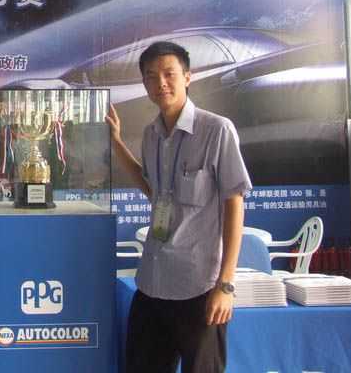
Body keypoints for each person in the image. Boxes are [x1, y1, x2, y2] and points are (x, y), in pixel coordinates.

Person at [106, 41, 252, 373]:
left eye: (169, 74)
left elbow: (234, 204)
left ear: (188, 77)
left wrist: (225, 285)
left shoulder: (217, 130)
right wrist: (116, 142)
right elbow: (154, 192)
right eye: (151, 76)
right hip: (153, 282)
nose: (161, 83)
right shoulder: (151, 135)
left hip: (199, 288)